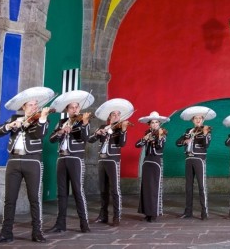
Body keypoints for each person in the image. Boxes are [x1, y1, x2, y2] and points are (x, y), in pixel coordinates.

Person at [0, 86, 55, 243]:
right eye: (31, 104)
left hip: (32, 161)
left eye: (36, 104)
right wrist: (10, 126)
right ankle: (6, 233)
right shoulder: (15, 119)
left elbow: (39, 134)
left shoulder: (42, 120)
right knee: (10, 199)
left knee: (34, 198)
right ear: (23, 107)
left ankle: (37, 232)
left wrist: (42, 117)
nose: (34, 107)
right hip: (13, 161)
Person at [46, 90, 94, 234]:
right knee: (62, 193)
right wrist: (60, 132)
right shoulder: (61, 122)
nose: (75, 110)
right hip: (62, 158)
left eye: (77, 107)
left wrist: (84, 124)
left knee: (78, 191)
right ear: (67, 109)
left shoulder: (83, 121)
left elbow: (85, 139)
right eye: (72, 107)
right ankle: (60, 224)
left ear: (80, 108)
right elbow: (51, 139)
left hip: (75, 159)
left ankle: (84, 224)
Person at [88, 98, 134, 227]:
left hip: (113, 160)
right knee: (103, 189)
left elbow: (122, 143)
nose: (116, 116)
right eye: (113, 114)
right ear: (109, 116)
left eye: (118, 114)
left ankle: (117, 216)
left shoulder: (120, 129)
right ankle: (103, 215)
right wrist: (97, 132)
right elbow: (90, 140)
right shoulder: (103, 127)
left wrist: (124, 130)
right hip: (102, 159)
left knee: (115, 189)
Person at [176, 106, 216, 220]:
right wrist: (185, 141)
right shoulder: (188, 131)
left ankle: (204, 212)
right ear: (192, 120)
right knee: (188, 186)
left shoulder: (206, 130)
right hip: (188, 159)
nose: (198, 120)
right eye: (196, 118)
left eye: (200, 118)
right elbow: (177, 143)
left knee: (201, 186)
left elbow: (206, 144)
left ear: (203, 120)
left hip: (199, 159)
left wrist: (203, 133)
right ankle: (188, 212)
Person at [136, 111, 168, 222]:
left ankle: (154, 213)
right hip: (146, 162)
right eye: (152, 123)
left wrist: (158, 136)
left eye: (156, 122)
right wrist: (145, 138)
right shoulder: (147, 133)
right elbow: (137, 145)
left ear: (159, 124)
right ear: (149, 124)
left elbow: (160, 147)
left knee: (154, 187)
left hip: (156, 161)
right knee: (146, 187)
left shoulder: (162, 134)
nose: (154, 124)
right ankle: (147, 212)